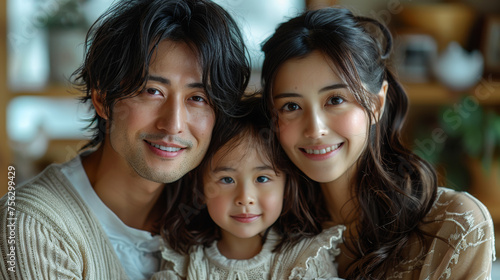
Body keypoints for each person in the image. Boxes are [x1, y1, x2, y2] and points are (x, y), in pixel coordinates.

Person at [0, 0, 250, 279]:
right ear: (103, 99)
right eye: (152, 91)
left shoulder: (223, 209)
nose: (174, 124)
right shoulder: (31, 226)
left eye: (198, 98)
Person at [260, 7, 496, 280]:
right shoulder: (263, 227)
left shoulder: (454, 226)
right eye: (291, 106)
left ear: (377, 103)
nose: (315, 129)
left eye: (335, 100)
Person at [151, 96, 345, 280]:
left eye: (262, 178)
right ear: (200, 189)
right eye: (227, 179)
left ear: (287, 187)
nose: (245, 198)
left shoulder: (304, 259)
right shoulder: (183, 261)